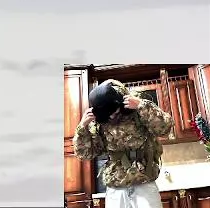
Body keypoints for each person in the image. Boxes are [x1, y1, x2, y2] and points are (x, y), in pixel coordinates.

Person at [73, 79, 173, 208]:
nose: (111, 117)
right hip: (116, 185)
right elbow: (84, 154)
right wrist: (82, 127)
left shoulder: (137, 108)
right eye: (108, 115)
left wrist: (141, 105)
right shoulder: (99, 121)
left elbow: (165, 128)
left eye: (114, 112)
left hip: (144, 181)